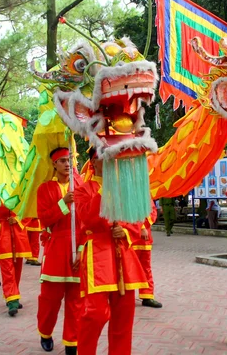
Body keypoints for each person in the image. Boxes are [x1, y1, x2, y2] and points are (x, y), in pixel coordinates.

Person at [74, 148, 149, 355]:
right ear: (93, 163)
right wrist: (104, 189)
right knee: (96, 314)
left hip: (123, 255)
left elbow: (136, 218)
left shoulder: (123, 189)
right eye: (102, 158)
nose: (107, 162)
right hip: (97, 256)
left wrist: (124, 230)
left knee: (124, 318)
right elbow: (88, 219)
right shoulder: (83, 190)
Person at [36, 147, 82, 354]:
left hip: (78, 250)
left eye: (69, 160)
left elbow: (87, 220)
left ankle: (72, 342)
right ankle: (45, 333)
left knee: (76, 301)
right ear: (54, 164)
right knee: (50, 299)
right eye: (62, 160)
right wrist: (64, 203)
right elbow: (45, 219)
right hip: (55, 249)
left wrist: (81, 249)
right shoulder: (44, 189)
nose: (66, 164)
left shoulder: (81, 186)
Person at [0, 180, 31, 316]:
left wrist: (18, 219)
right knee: (7, 267)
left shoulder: (21, 187)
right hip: (3, 233)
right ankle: (12, 299)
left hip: (18, 233)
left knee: (17, 267)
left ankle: (14, 294)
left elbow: (28, 208)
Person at [132, 202, 163, 308]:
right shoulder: (124, 189)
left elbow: (152, 211)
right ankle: (126, 297)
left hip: (145, 239)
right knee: (128, 268)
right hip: (129, 236)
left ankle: (147, 296)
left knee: (146, 268)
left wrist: (144, 226)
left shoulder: (145, 192)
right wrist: (140, 227)